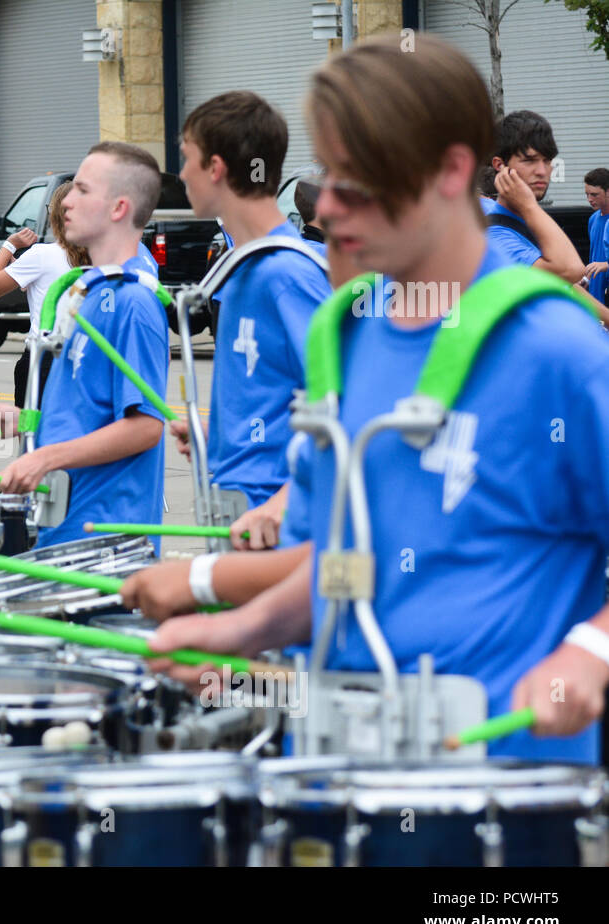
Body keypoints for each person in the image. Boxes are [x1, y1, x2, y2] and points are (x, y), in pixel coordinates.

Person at [142, 34, 609, 764]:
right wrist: (238, 631)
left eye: (356, 180)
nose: (326, 205)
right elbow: (347, 564)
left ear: (452, 171)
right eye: (328, 175)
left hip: (494, 805)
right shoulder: (345, 335)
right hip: (338, 774)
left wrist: (588, 651)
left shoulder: (557, 347)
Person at [0, 142, 168, 550]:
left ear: (119, 208)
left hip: (105, 537)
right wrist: (28, 422)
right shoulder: (85, 292)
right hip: (64, 524)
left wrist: (44, 458)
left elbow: (145, 426)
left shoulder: (132, 299)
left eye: (82, 190)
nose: (66, 202)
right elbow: (89, 410)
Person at [171, 91, 332, 550]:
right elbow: (273, 390)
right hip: (236, 519)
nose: (181, 175)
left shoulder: (286, 274)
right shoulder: (243, 268)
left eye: (188, 160)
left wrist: (282, 503)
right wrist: (219, 429)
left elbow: (348, 408)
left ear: (216, 168)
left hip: (279, 531)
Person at [0, 183, 88, 409]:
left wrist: (9, 245)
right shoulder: (100, 254)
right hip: (85, 360)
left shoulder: (41, 254)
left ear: (54, 215)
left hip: (44, 360)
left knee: (33, 440)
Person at [482, 111, 583, 281]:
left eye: (547, 160)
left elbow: (573, 290)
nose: (542, 171)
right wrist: (529, 206)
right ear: (500, 165)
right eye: (529, 160)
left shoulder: (530, 223)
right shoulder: (495, 237)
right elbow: (571, 271)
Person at [583, 168, 609, 303]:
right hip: (596, 298)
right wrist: (587, 279)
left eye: (594, 194)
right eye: (587, 194)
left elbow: (603, 263)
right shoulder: (593, 219)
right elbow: (595, 257)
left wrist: (606, 264)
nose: (589, 199)